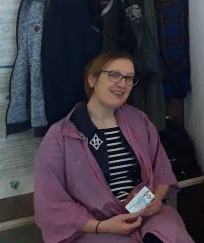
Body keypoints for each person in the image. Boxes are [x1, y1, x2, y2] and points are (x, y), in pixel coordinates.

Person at [34, 51, 193, 243]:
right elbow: (51, 204)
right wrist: (102, 226)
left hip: (146, 216)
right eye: (114, 75)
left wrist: (157, 200)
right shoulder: (59, 136)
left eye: (129, 78)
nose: (122, 83)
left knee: (164, 235)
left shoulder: (139, 121)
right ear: (92, 79)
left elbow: (162, 172)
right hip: (95, 227)